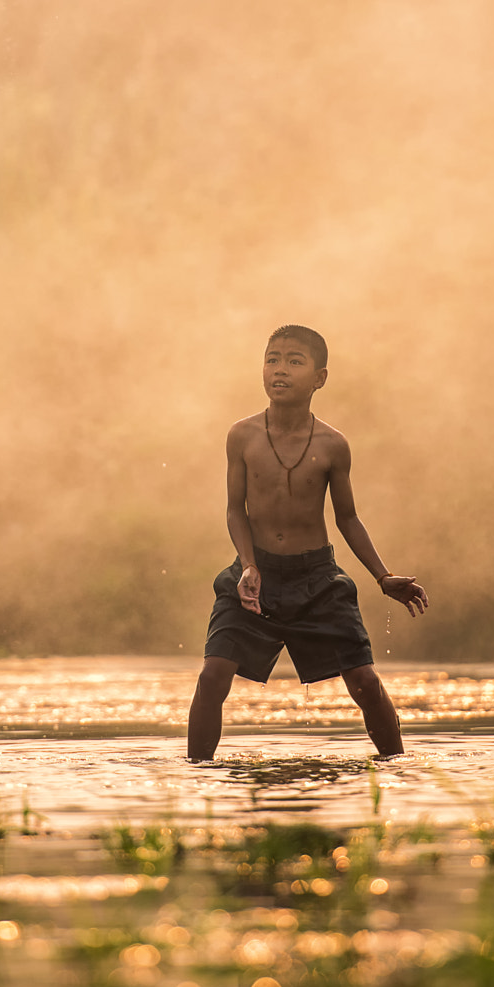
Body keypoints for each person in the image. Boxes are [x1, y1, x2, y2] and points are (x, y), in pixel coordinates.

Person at [187, 325, 429, 760]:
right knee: (213, 675)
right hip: (255, 574)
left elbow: (348, 518)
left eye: (294, 361)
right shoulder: (242, 435)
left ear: (320, 377)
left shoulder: (333, 444)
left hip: (317, 578)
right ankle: (196, 773)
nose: (280, 370)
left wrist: (383, 576)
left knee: (366, 684)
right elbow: (234, 510)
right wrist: (247, 565)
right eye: (272, 359)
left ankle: (398, 770)